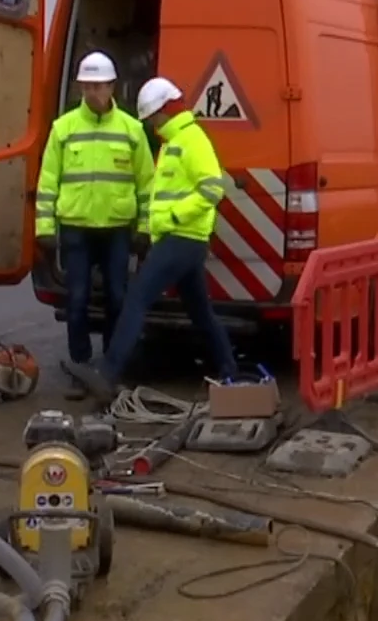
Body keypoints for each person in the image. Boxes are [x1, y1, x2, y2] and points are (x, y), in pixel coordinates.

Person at [68, 77, 237, 401]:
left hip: (182, 237)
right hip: (179, 238)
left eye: (153, 117)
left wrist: (174, 218)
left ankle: (108, 372)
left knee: (137, 298)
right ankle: (229, 370)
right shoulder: (172, 143)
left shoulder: (191, 140)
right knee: (200, 311)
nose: (151, 123)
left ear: (166, 110)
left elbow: (213, 188)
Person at [36, 52, 153, 400]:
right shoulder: (64, 128)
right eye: (87, 87)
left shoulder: (132, 130)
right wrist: (44, 228)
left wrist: (144, 228)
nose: (93, 93)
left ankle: (112, 369)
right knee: (77, 299)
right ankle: (81, 369)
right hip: (76, 228)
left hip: (116, 229)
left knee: (118, 297)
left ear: (112, 86)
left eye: (98, 86)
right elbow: (47, 182)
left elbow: (147, 183)